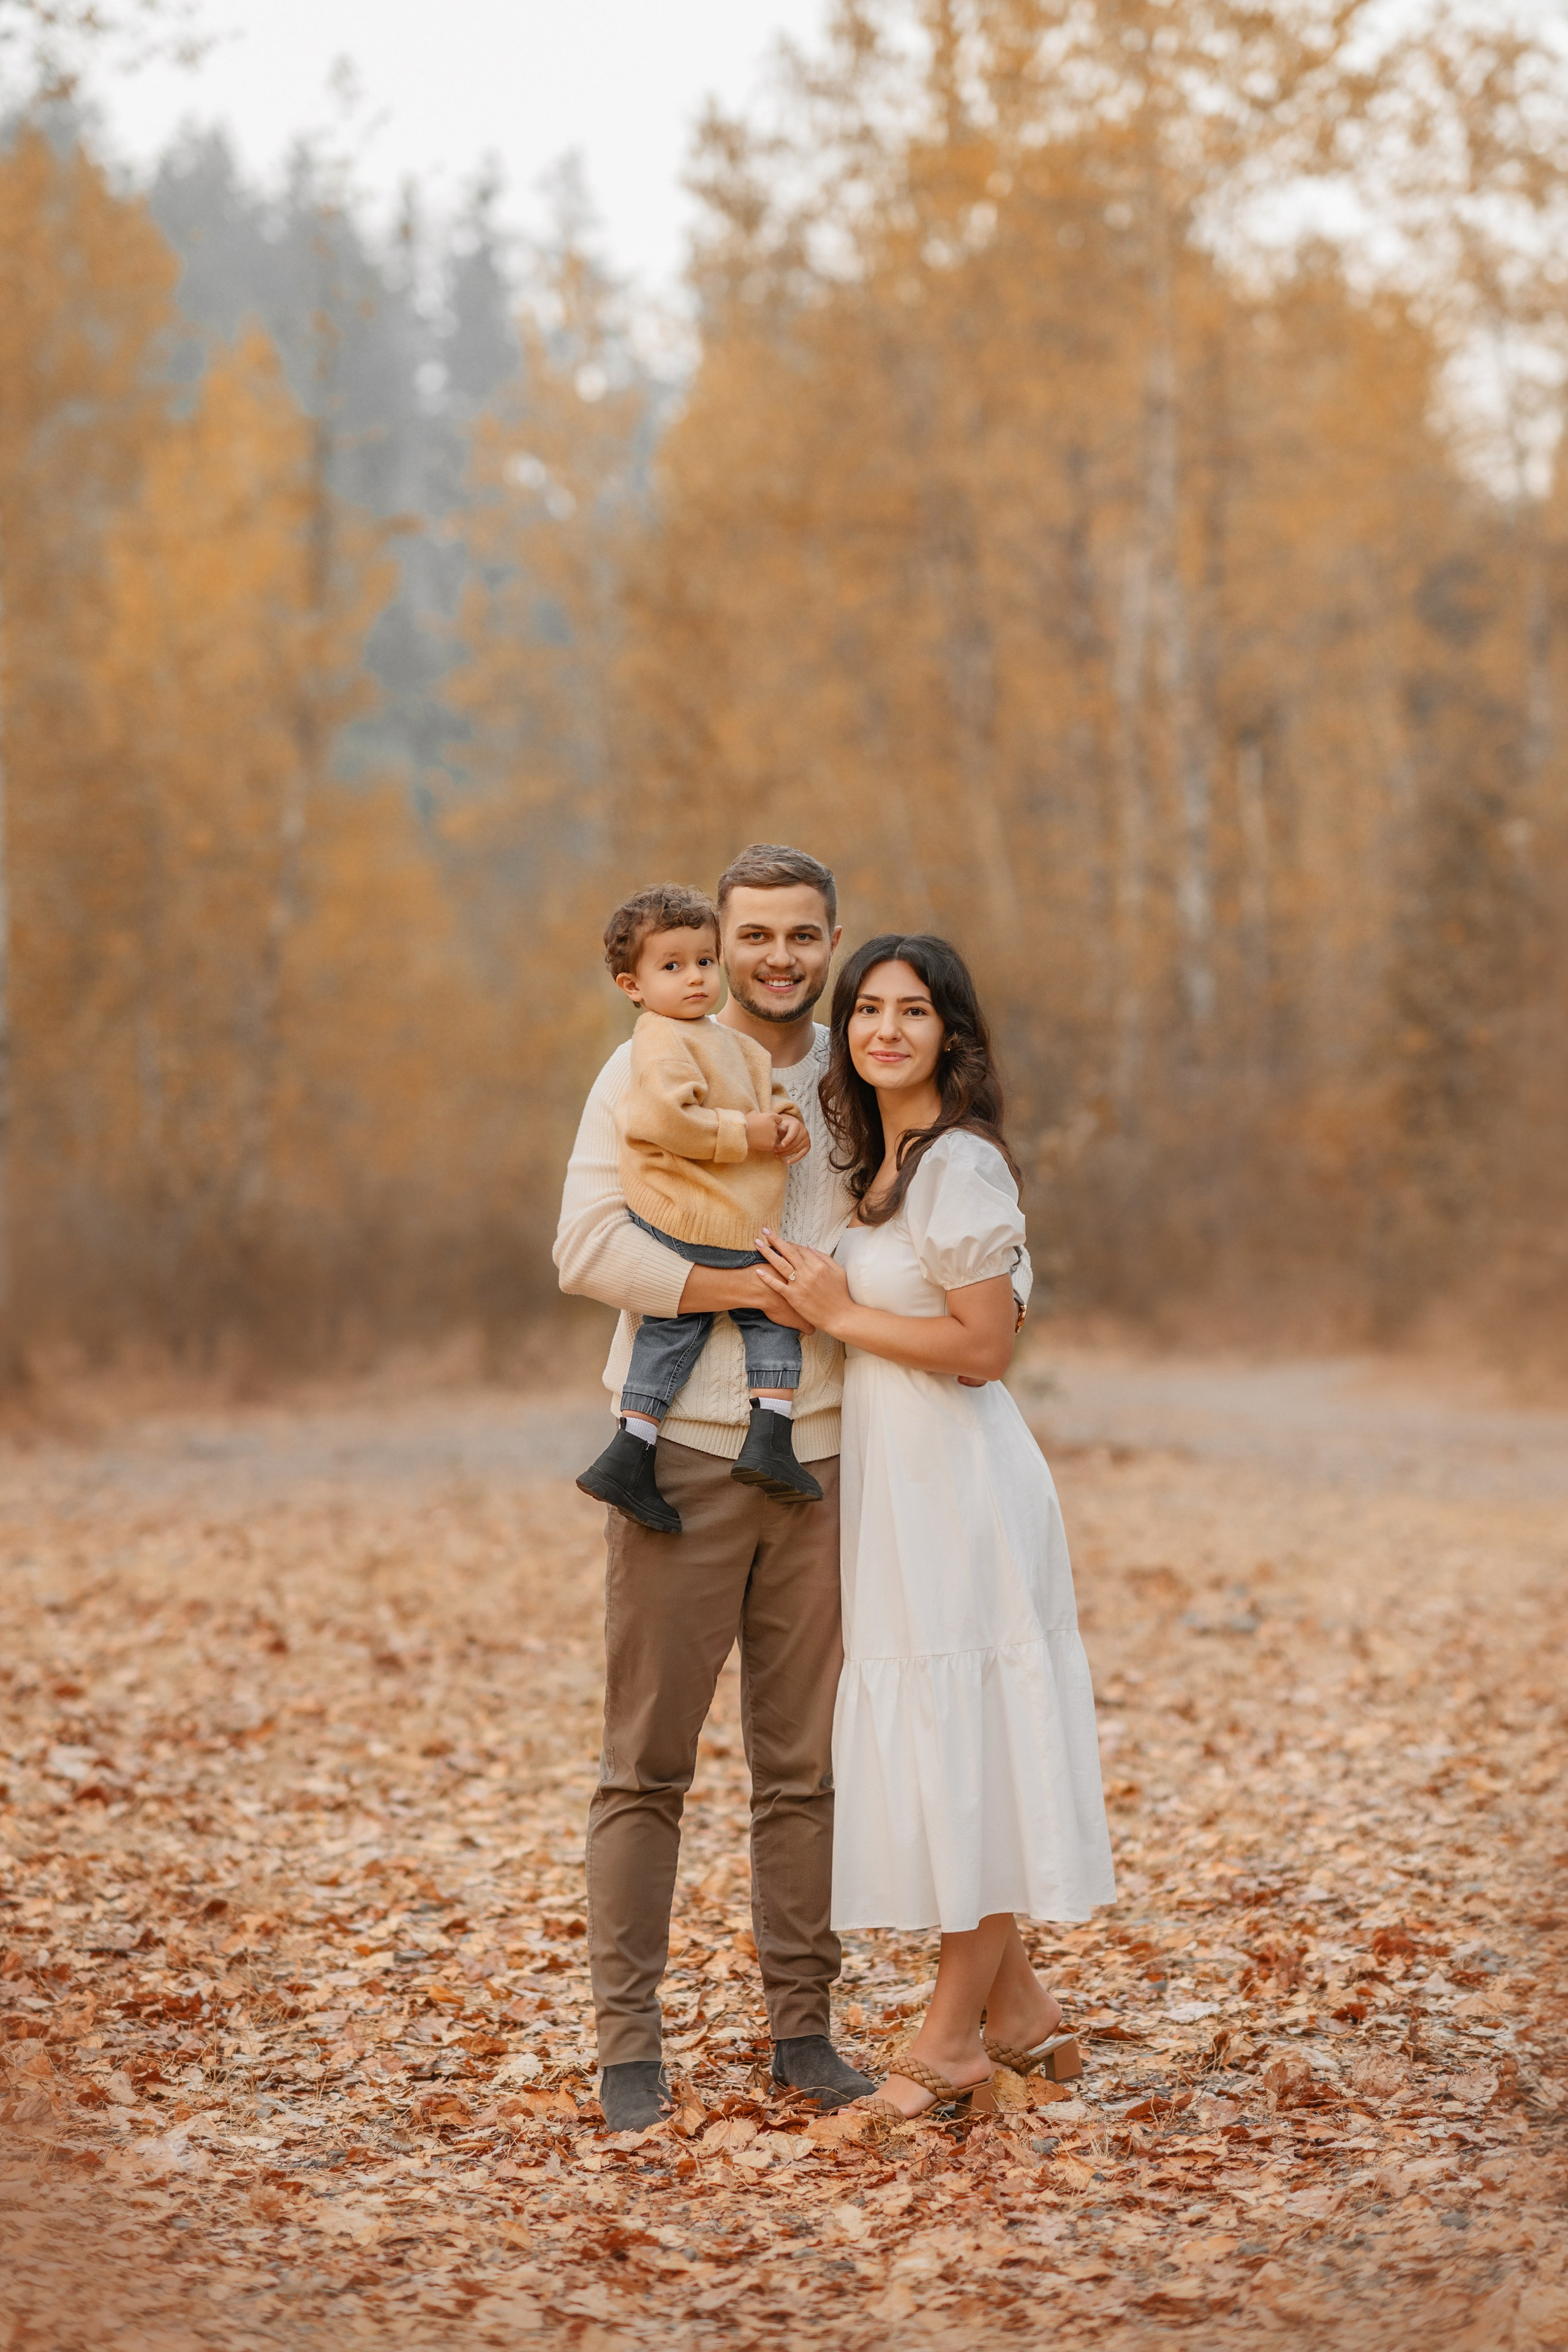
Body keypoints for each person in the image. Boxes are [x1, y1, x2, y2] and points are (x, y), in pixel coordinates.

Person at [755, 934, 1115, 2120]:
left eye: (912, 1012)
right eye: (866, 1011)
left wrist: (839, 1311)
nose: (884, 1031)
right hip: (898, 1494)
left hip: (963, 1492)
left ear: (948, 1036)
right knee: (938, 1750)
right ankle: (1019, 2017)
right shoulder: (883, 1164)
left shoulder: (958, 1166)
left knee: (970, 1747)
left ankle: (950, 2039)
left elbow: (980, 1350)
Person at [554, 844, 875, 2133]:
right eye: (754, 936)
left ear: (829, 941)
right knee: (646, 1763)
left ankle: (802, 2030)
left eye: (804, 935)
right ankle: (628, 2048)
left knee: (802, 1768)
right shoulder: (642, 1064)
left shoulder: (861, 1079)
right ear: (715, 943)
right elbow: (585, 1246)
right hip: (678, 1459)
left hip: (828, 1458)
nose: (778, 958)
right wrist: (749, 1290)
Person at [575, 881, 824, 1535]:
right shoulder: (657, 1041)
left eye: (703, 963)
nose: (694, 979)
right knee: (763, 1316)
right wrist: (747, 1135)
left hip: (728, 1218)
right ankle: (759, 1434)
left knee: (678, 1331)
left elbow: (766, 1095)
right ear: (633, 986)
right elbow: (666, 1119)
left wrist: (790, 1123)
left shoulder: (733, 1043)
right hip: (694, 1219)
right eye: (672, 967)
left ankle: (639, 1445)